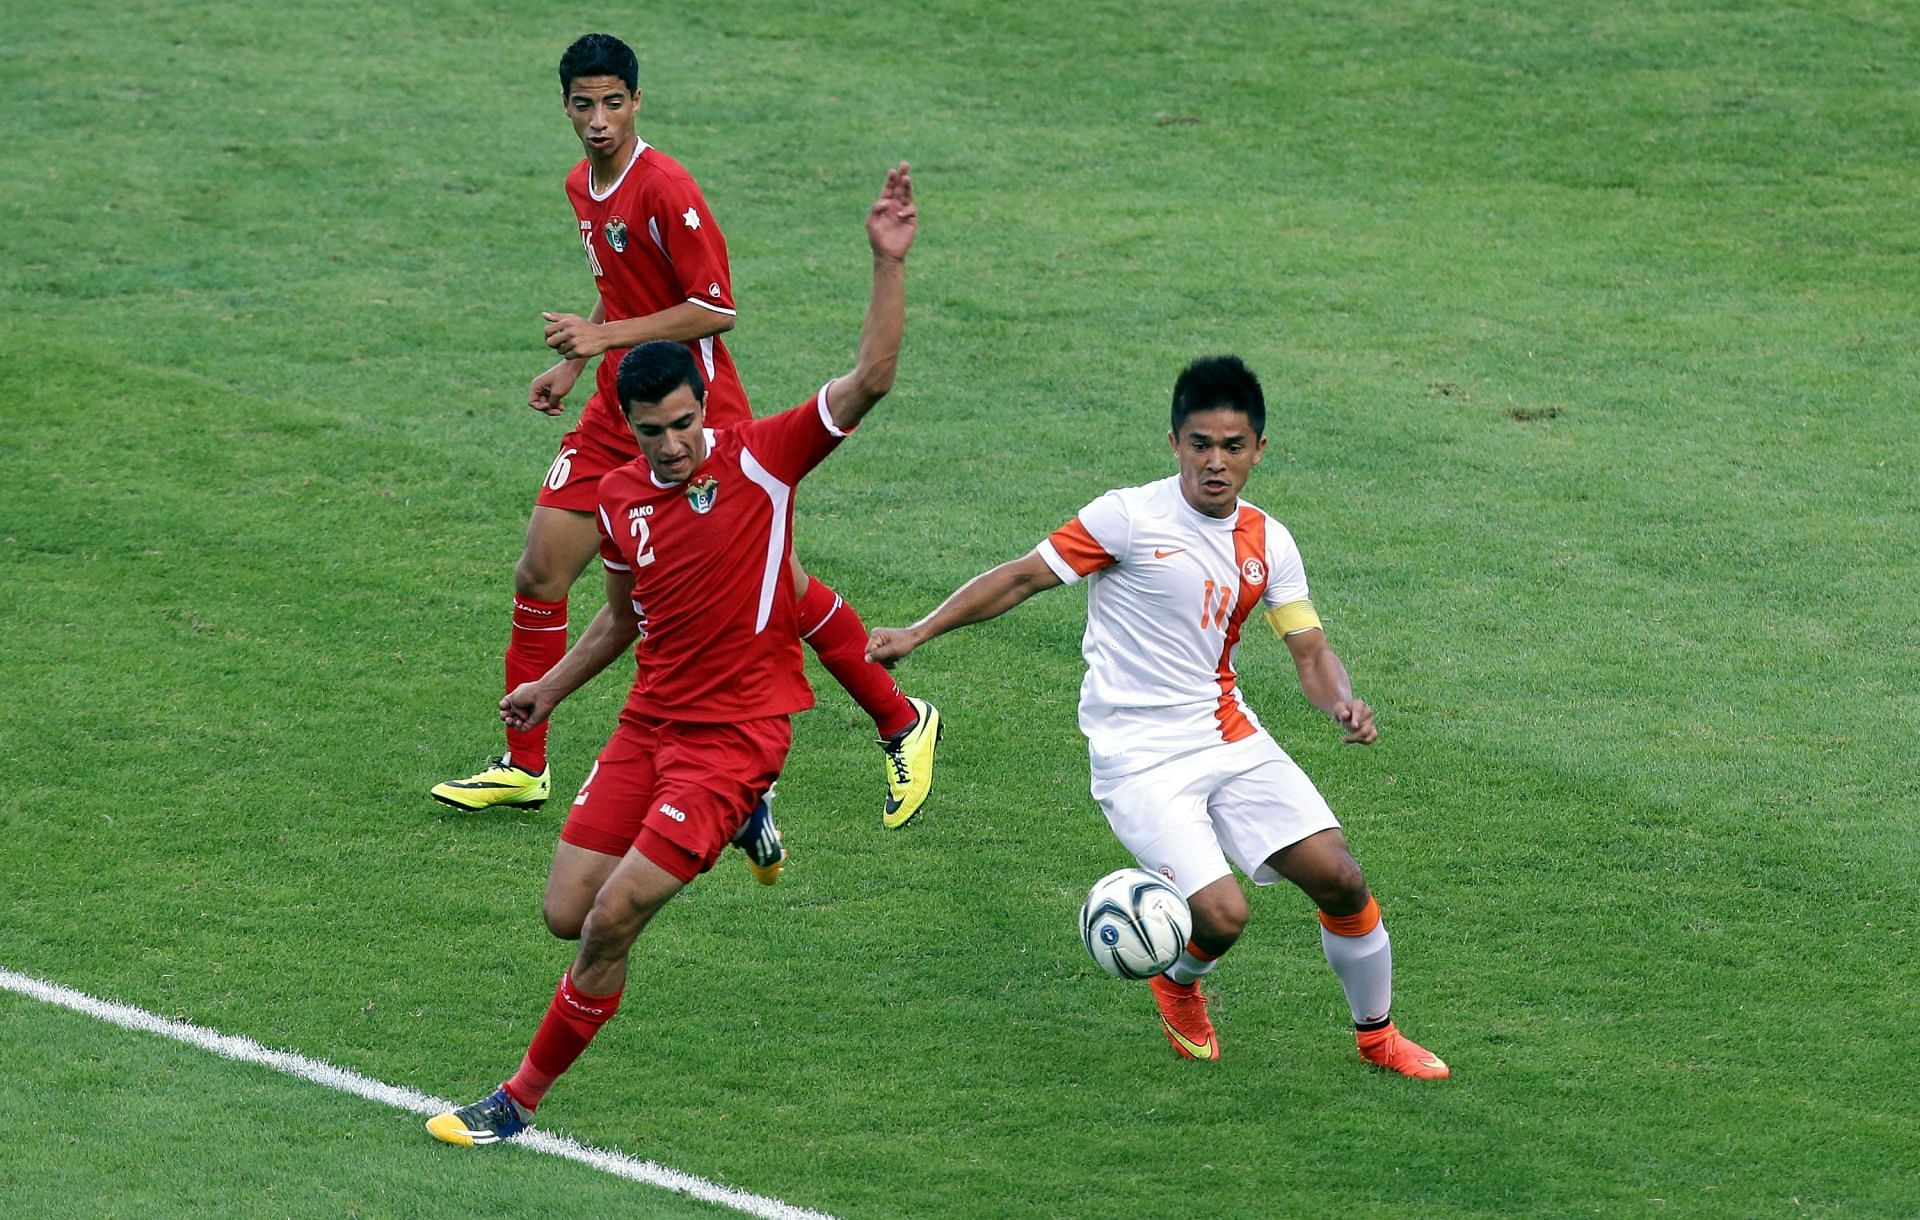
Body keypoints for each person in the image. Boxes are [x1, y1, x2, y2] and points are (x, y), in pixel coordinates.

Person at [426, 161, 921, 1147]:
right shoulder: (619, 498)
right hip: (650, 722)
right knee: (564, 911)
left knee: (612, 918)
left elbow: (870, 379)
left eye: (685, 423)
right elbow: (618, 620)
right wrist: (546, 689)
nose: (673, 445)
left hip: (734, 738)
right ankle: (744, 827)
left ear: (707, 403)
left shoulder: (766, 459)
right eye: (653, 431)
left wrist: (884, 261)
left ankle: (514, 1101)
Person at [866, 356, 1448, 1078]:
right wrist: (917, 633)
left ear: (1259, 451)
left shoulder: (1269, 541)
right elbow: (1021, 577)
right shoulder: (1128, 519)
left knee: (1342, 879)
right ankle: (1177, 983)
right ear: (1173, 441)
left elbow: (1309, 647)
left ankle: (1378, 1037)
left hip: (1227, 733)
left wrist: (1341, 700)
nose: (1215, 462)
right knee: (1223, 916)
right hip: (1139, 757)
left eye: (1233, 447)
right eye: (1200, 444)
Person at [431, 33, 939, 831]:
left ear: (637, 101)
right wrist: (577, 362)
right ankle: (522, 764)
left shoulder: (666, 187)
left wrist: (602, 340)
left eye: (612, 103)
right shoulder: (581, 185)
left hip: (694, 412)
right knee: (539, 572)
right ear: (564, 107)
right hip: (616, 406)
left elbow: (716, 307)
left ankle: (901, 718)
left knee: (779, 590)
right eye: (582, 105)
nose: (598, 120)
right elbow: (621, 284)